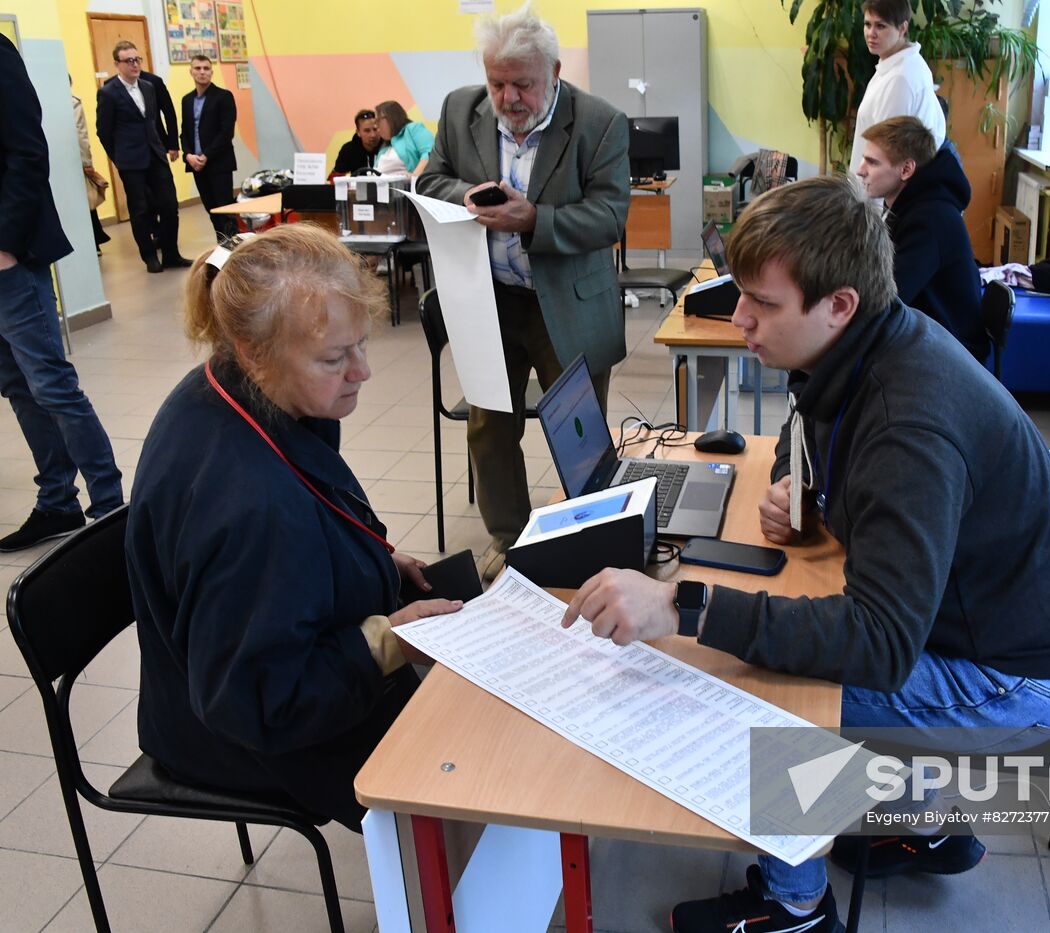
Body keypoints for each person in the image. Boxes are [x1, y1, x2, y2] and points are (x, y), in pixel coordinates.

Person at [561, 177, 1050, 933]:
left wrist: (684, 603)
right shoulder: (874, 339)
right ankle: (919, 823)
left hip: (1016, 678)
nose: (741, 318)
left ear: (838, 303)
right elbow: (809, 416)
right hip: (986, 623)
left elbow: (878, 645)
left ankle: (795, 908)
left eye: (764, 303)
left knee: (768, 692)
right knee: (779, 641)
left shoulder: (911, 424)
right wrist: (794, 481)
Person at [125, 224, 461, 828]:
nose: (362, 371)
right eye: (335, 358)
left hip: (239, 668)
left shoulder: (246, 386)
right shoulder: (250, 508)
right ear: (255, 351)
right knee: (467, 755)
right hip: (243, 730)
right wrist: (388, 640)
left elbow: (307, 521)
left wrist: (374, 562)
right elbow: (261, 703)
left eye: (361, 345)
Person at [418, 5, 629, 581]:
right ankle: (508, 540)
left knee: (578, 427)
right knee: (488, 424)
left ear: (555, 72)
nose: (508, 98)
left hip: (565, 302)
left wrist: (533, 218)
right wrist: (472, 195)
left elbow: (610, 216)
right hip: (490, 300)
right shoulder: (461, 109)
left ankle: (587, 533)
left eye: (523, 84)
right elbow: (430, 179)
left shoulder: (600, 122)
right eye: (497, 82)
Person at [0, 35, 124, 552]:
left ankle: (110, 510)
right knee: (17, 386)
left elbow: (28, 154)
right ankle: (58, 503)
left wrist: (5, 243)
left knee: (51, 385)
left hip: (11, 257)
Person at [857, 116, 984, 360]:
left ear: (906, 169)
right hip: (926, 340)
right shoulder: (909, 208)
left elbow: (887, 296)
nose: (861, 170)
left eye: (872, 162)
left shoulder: (931, 220)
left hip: (950, 356)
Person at [96, 41, 190, 273]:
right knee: (140, 210)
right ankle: (149, 257)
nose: (135, 64)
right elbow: (103, 131)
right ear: (117, 64)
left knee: (169, 205)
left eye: (137, 60)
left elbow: (155, 119)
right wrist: (118, 158)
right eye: (129, 61)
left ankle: (171, 253)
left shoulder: (148, 87)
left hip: (155, 155)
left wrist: (166, 145)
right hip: (130, 160)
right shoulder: (108, 93)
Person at [848, 0, 946, 188]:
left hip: (882, 195)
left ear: (902, 28)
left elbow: (886, 158)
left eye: (881, 26)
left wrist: (869, 214)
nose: (871, 33)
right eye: (867, 24)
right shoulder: (896, 63)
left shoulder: (900, 78)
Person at [180, 54, 238, 240]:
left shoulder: (223, 97)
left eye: (206, 68)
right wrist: (188, 154)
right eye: (198, 68)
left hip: (218, 163)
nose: (202, 72)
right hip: (196, 163)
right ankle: (221, 244)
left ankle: (234, 248)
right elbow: (185, 133)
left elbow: (226, 132)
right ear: (191, 72)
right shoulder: (187, 100)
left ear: (212, 72)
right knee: (211, 209)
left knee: (225, 209)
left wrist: (206, 156)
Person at [72, 78, 112, 253]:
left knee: (82, 201)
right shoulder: (73, 103)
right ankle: (94, 241)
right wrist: (87, 162)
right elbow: (80, 134)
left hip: (68, 163)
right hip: (75, 161)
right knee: (85, 201)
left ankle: (92, 241)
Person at [373, 100, 434, 177]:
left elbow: (429, 153)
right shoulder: (385, 146)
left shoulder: (413, 129)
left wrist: (414, 176)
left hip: (407, 187)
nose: (375, 126)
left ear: (391, 117)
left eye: (377, 120)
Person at [331, 108, 381, 176]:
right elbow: (336, 179)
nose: (373, 135)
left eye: (375, 129)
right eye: (367, 131)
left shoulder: (389, 147)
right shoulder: (348, 150)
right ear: (358, 132)